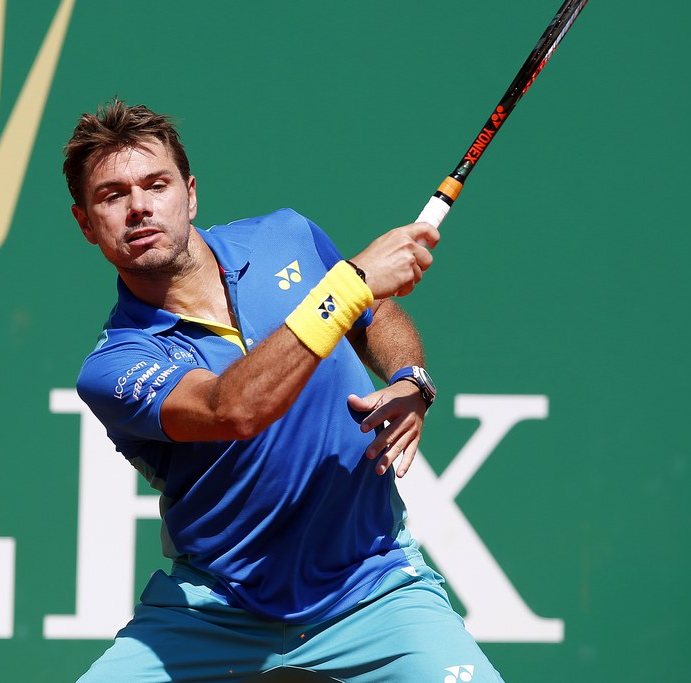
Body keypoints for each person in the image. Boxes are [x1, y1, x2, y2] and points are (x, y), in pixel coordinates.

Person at [64, 99, 503, 683]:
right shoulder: (114, 366)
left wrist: (410, 380)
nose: (140, 207)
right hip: (213, 612)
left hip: (373, 589)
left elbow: (373, 314)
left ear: (190, 195)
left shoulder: (285, 237)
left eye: (156, 184)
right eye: (113, 195)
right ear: (86, 223)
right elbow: (234, 407)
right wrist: (349, 284)